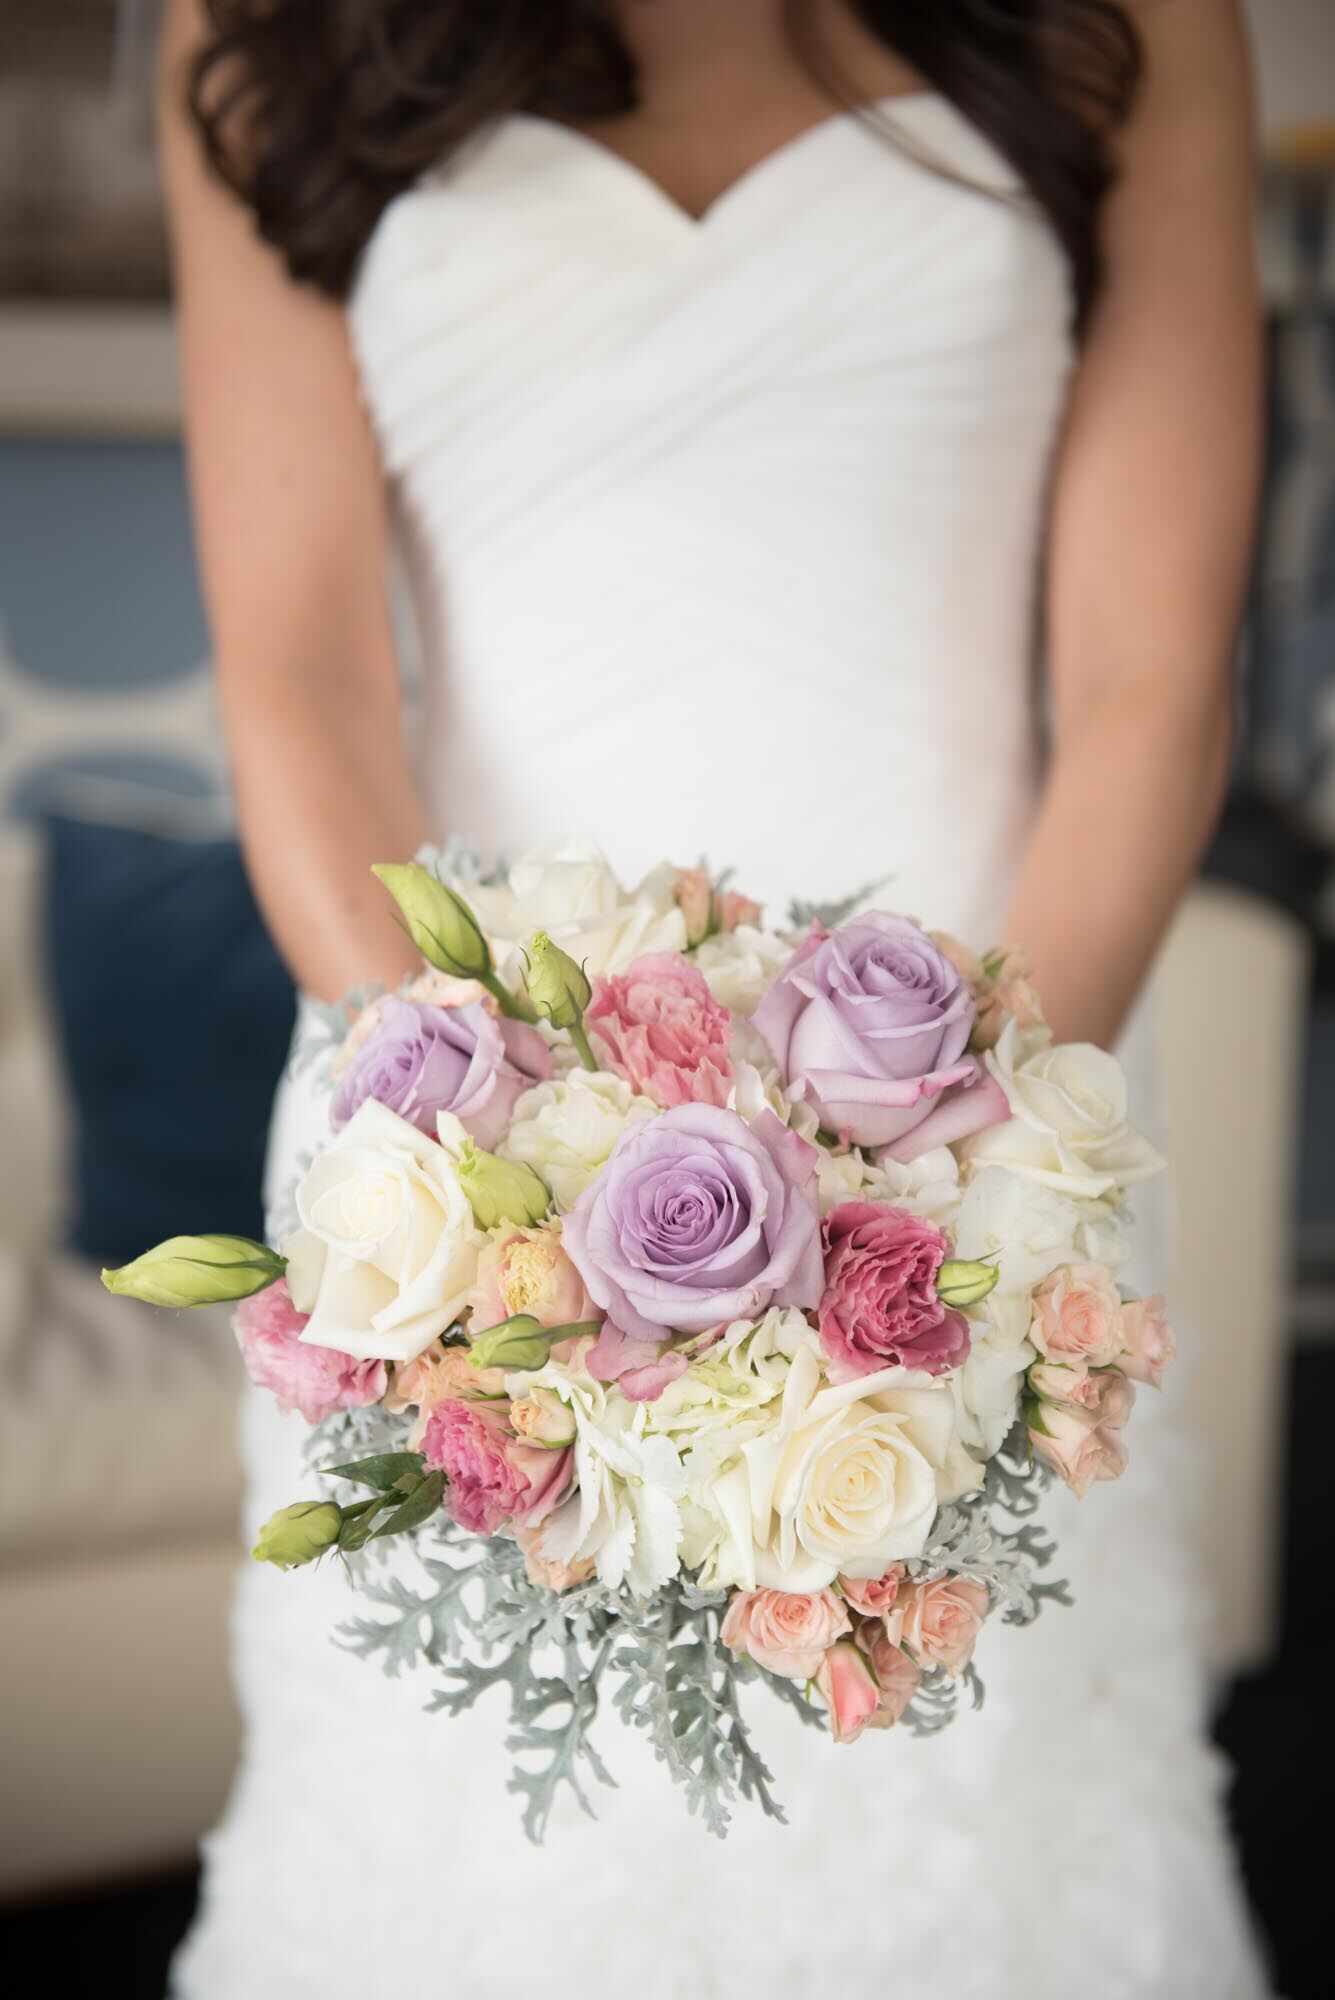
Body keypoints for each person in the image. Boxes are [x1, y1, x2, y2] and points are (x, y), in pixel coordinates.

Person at [158, 1, 1270, 1993]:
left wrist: (951, 1162)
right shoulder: (255, 24)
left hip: (998, 1098)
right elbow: (301, 674)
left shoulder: (1137, 21)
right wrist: (487, 1162)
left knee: (981, 1835)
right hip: (455, 1144)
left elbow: (1148, 676)